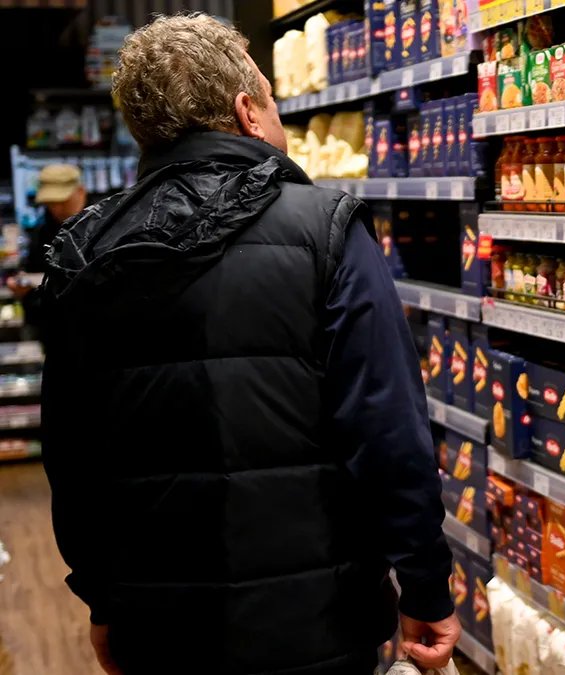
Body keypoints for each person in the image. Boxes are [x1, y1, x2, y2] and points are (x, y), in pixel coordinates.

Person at [38, 14, 458, 675]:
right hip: (319, 627)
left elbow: (72, 458)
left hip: (160, 629)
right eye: (271, 96)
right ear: (247, 114)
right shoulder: (327, 232)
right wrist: (426, 582)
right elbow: (389, 434)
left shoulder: (84, 256)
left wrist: (103, 598)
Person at [7, 164, 87, 329]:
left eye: (62, 201)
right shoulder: (44, 230)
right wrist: (23, 288)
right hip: (55, 329)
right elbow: (31, 270)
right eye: (50, 203)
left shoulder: (106, 223)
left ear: (80, 191)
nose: (56, 208)